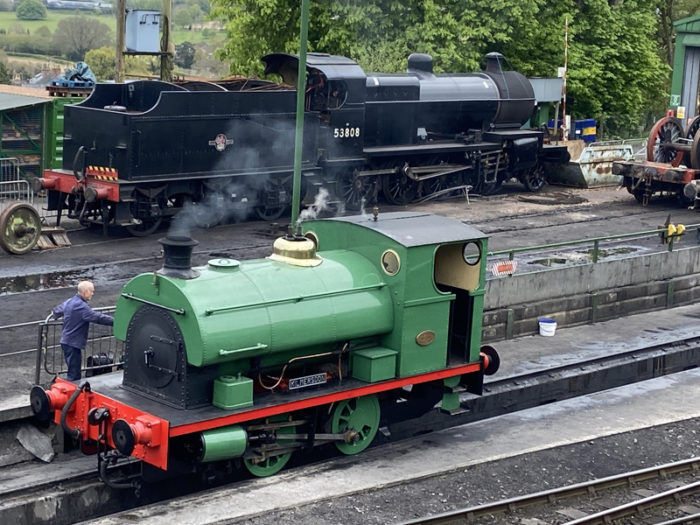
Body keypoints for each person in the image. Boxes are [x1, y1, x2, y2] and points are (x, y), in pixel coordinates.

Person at [52, 281, 114, 382]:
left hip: (66, 341)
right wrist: (117, 322)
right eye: (91, 291)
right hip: (73, 343)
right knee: (74, 374)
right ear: (85, 292)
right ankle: (72, 394)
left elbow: (57, 311)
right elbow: (98, 317)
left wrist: (55, 314)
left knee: (73, 370)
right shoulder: (81, 306)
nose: (93, 293)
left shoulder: (71, 301)